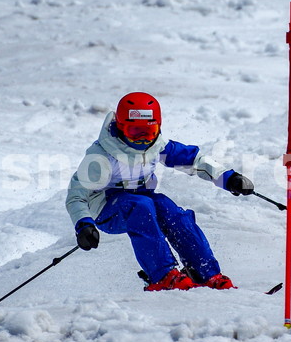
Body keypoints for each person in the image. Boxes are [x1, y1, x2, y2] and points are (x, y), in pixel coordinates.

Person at [67, 92, 253, 292]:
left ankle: (206, 273)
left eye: (148, 132)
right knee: (141, 206)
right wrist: (84, 225)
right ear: (120, 128)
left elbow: (193, 160)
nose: (142, 140)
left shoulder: (157, 146)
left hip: (141, 199)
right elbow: (76, 196)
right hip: (106, 209)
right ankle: (163, 276)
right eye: (134, 131)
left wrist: (228, 178)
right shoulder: (101, 156)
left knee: (171, 210)